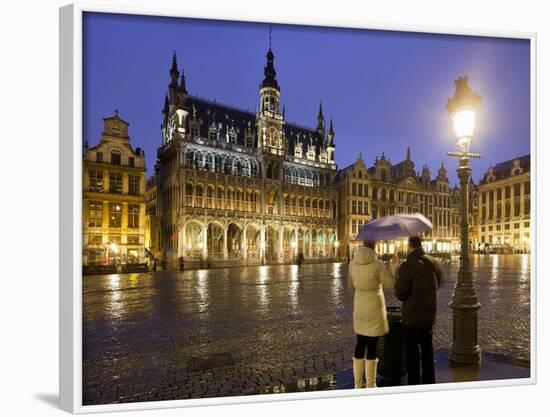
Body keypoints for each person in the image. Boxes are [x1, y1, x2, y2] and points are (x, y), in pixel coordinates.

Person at [395, 236, 443, 385]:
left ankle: (414, 384)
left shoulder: (407, 265)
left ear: (409, 246)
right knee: (427, 352)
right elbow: (439, 281)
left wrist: (396, 269)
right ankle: (429, 382)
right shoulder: (433, 262)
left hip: (412, 318)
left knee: (412, 355)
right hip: (429, 315)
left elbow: (400, 294)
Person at [349, 241, 397, 388]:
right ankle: (370, 384)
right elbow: (391, 283)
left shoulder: (352, 263)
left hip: (359, 306)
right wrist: (394, 266)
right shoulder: (377, 265)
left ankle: (358, 384)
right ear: (374, 246)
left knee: (360, 343)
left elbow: (351, 285)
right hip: (374, 307)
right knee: (372, 345)